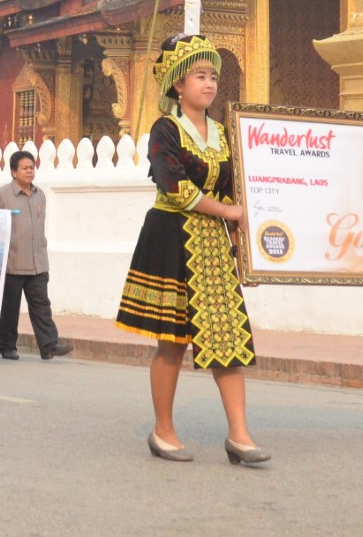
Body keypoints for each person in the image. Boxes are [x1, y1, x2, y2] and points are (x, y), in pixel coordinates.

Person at [114, 35, 267, 465]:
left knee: (228, 336)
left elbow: (236, 186)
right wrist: (227, 211)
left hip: (214, 245)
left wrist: (238, 236)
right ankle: (163, 429)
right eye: (200, 76)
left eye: (214, 76)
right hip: (171, 236)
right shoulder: (165, 129)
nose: (209, 84)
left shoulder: (224, 131)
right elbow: (175, 185)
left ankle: (239, 434)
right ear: (178, 85)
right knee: (173, 340)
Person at [0, 150, 73, 361]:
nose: (29, 171)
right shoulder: (1, 195)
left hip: (38, 260)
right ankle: (7, 346)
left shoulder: (41, 194)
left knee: (41, 305)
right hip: (13, 260)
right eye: (25, 168)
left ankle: (49, 345)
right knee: (10, 308)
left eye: (32, 167)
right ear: (13, 172)